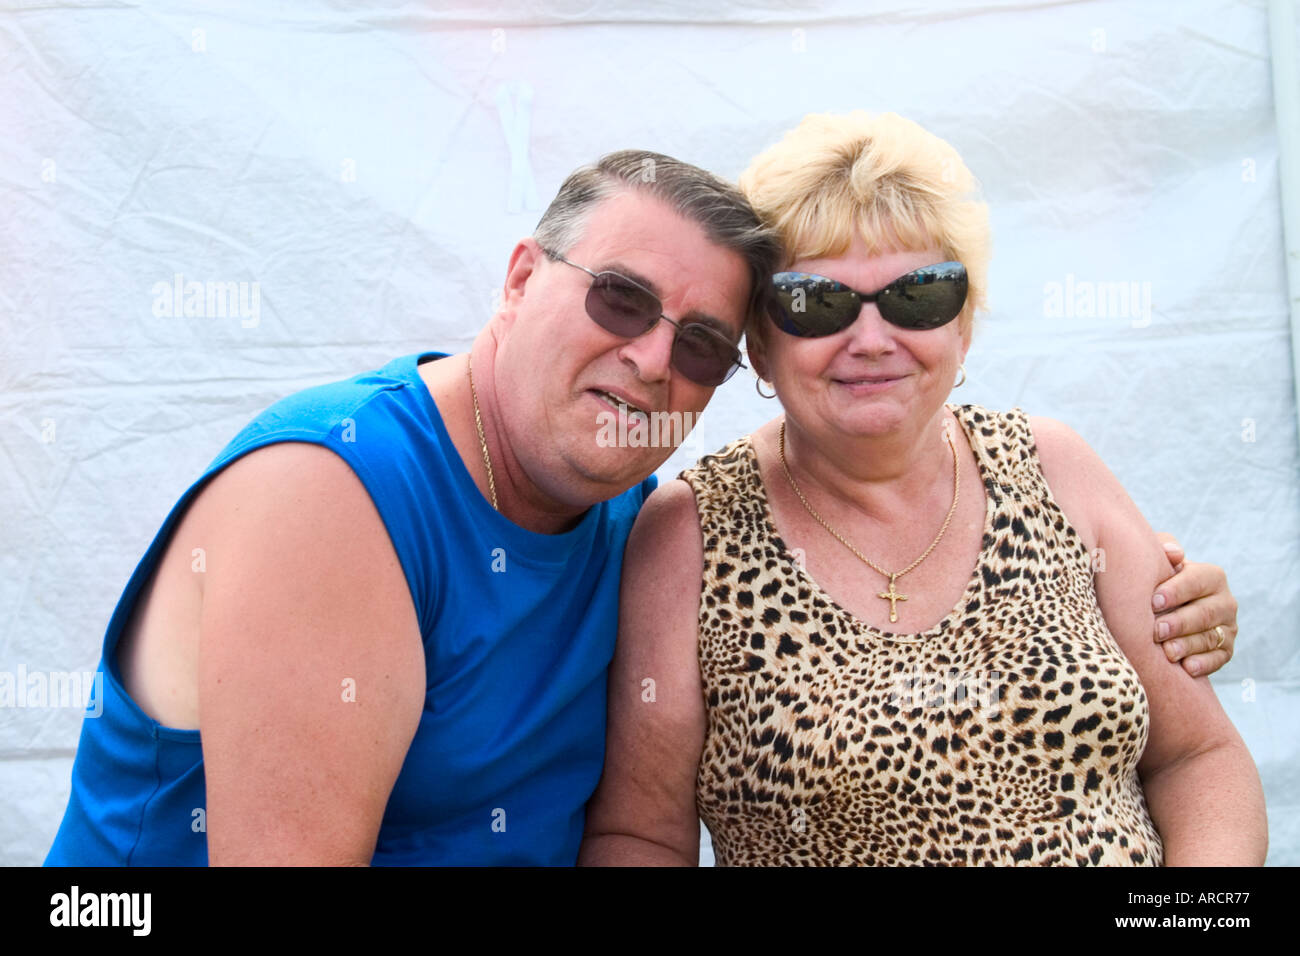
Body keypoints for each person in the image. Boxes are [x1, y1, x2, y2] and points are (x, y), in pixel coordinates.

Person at [45, 146, 1238, 868]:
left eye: (702, 342)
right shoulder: (334, 491)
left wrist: (1170, 601)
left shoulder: (626, 514)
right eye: (618, 299)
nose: (649, 360)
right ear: (520, 278)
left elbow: (1195, 750)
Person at [579, 113, 1266, 866]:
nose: (872, 339)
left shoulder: (1057, 467)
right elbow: (642, 836)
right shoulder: (693, 531)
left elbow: (1199, 758)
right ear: (762, 347)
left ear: (963, 326)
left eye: (917, 296)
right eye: (818, 302)